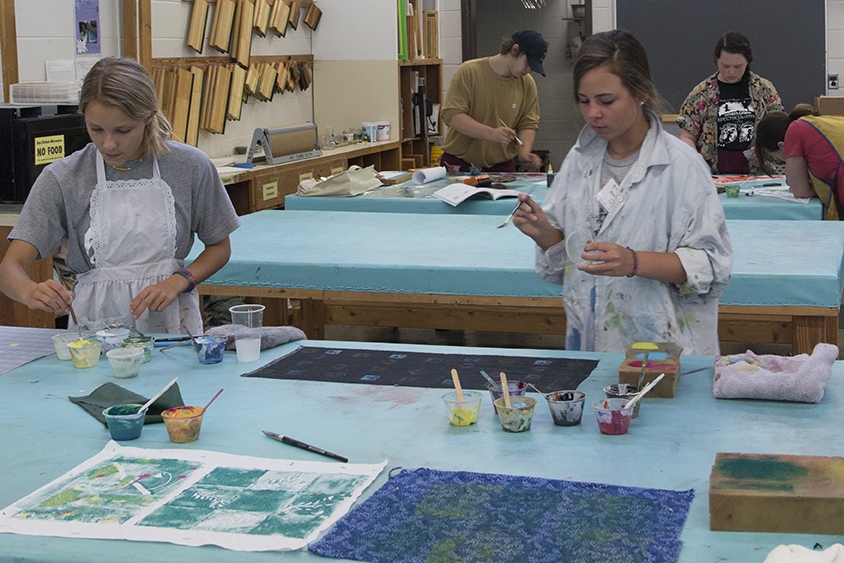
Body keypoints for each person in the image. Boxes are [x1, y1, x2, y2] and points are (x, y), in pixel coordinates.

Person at [512, 30, 733, 355]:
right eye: (584, 101)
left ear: (640, 91)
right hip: (591, 347)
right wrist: (544, 233)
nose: (593, 113)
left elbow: (712, 267)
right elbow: (568, 262)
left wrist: (634, 261)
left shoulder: (681, 166)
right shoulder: (579, 161)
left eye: (606, 101)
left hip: (664, 351)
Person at [0, 57, 241, 335]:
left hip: (173, 330)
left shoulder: (191, 167)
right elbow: (10, 268)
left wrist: (180, 280)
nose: (108, 143)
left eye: (123, 130)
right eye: (96, 129)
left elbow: (219, 247)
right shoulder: (63, 178)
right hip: (94, 335)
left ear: (148, 117)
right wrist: (30, 292)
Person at [439, 29, 547, 173]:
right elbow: (452, 115)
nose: (529, 70)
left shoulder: (527, 83)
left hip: (502, 166)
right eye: (528, 63)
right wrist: (491, 134)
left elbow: (528, 123)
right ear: (515, 50)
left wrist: (524, 153)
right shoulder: (470, 71)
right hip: (460, 164)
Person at [676, 31, 783, 175]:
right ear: (716, 60)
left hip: (758, 174)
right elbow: (687, 136)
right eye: (725, 66)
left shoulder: (764, 90)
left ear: (748, 62)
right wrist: (693, 155)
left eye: (738, 67)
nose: (732, 72)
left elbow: (779, 131)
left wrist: (767, 149)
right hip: (713, 175)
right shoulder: (701, 93)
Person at [756, 104, 844, 220]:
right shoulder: (815, 123)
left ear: (782, 146)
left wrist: (803, 183)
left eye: (777, 158)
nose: (784, 162)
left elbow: (801, 191)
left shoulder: (794, 132)